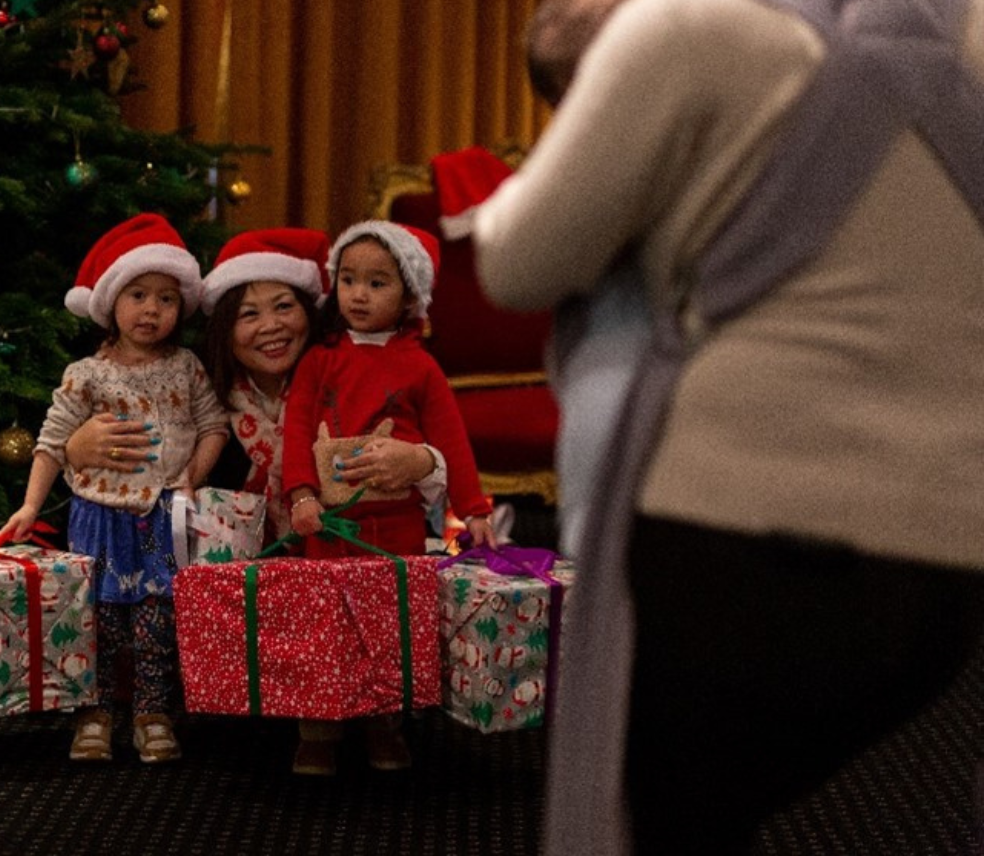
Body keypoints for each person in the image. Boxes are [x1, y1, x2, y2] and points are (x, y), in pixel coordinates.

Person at [448, 0, 984, 852]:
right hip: (947, 553)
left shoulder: (688, 31)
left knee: (670, 820)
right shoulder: (966, 45)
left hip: (726, 527)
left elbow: (520, 263)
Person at [66, 226, 448, 777]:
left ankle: (368, 718)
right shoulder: (202, 399)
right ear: (225, 326)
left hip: (352, 570)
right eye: (248, 313)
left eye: (283, 307)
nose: (269, 327)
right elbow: (129, 475)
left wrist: (422, 461)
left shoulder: (351, 376)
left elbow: (433, 440)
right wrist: (79, 450)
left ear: (312, 312)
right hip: (241, 629)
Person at [0, 212, 229, 765]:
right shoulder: (87, 374)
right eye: (139, 295)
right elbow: (52, 442)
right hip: (100, 518)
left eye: (166, 299)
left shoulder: (188, 367)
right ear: (110, 303)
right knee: (99, 623)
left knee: (156, 621)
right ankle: (95, 713)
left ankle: (152, 713)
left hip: (161, 518)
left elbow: (214, 426)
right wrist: (31, 505)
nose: (152, 309)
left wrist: (191, 477)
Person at [279, 221, 500, 776]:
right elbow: (298, 428)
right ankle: (319, 731)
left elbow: (451, 438)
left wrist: (473, 509)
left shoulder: (420, 366)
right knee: (325, 627)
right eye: (348, 280)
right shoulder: (319, 359)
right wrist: (302, 493)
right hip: (328, 527)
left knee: (389, 627)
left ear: (408, 296)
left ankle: (385, 726)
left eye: (377, 283)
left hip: (396, 525)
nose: (358, 294)